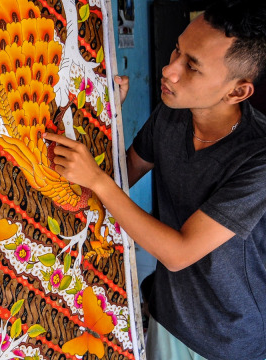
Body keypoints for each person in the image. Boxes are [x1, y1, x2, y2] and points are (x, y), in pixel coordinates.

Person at [44, 1, 266, 359]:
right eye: (177, 49)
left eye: (191, 66)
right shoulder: (172, 115)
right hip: (169, 310)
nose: (169, 69)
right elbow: (123, 174)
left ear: (237, 91)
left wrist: (99, 182)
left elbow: (179, 252)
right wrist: (105, 117)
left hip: (227, 335)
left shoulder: (257, 159)